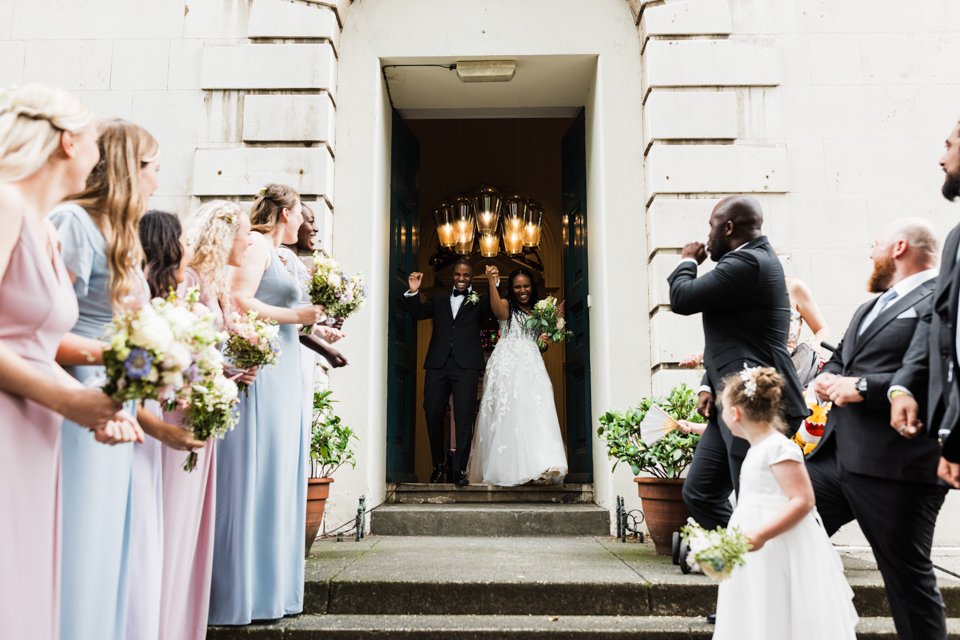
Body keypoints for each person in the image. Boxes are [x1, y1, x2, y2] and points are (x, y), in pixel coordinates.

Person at [0, 85, 140, 640]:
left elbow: (33, 342)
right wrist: (67, 397)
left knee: (31, 587)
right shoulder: (6, 204)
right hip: (10, 425)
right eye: (93, 146)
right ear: (66, 142)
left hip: (37, 428)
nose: (100, 160)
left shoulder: (42, 225)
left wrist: (96, 409)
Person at [49, 118, 163, 640]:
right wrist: (120, 352)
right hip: (79, 392)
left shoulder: (123, 234)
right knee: (81, 536)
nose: (159, 180)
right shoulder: (72, 223)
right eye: (154, 167)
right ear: (129, 169)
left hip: (120, 392)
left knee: (111, 539)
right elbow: (43, 327)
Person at [806, 218, 945, 640]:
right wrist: (829, 381)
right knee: (778, 530)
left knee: (906, 580)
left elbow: (936, 369)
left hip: (896, 466)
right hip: (834, 459)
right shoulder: (871, 306)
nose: (870, 253)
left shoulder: (942, 297)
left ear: (899, 247)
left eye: (875, 244)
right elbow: (842, 358)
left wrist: (862, 388)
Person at [209, 184, 324, 625]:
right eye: (300, 214)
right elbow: (240, 300)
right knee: (257, 472)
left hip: (288, 366)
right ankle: (242, 594)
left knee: (280, 472)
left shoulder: (285, 256)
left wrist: (317, 334)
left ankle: (274, 592)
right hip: (261, 367)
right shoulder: (257, 243)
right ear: (283, 212)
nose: (304, 222)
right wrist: (299, 317)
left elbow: (282, 311)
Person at [667, 195, 806, 532]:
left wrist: (687, 261)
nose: (708, 236)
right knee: (701, 493)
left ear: (728, 227)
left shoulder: (748, 263)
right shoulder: (748, 262)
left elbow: (682, 298)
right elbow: (734, 338)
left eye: (711, 227)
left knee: (754, 499)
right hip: (729, 401)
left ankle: (763, 563)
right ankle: (744, 557)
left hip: (757, 405)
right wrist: (707, 384)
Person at [712, 366, 858, 640]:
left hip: (775, 544)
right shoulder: (757, 449)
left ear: (735, 413)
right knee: (755, 609)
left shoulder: (779, 448)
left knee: (776, 608)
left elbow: (803, 500)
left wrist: (762, 534)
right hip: (753, 546)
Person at [892, 119, 960, 490]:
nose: (941, 158)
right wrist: (902, 387)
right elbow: (939, 320)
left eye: (949, 145)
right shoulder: (954, 240)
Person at [466, 265, 568, 486]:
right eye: (518, 287)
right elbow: (497, 311)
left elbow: (541, 346)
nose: (523, 290)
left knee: (537, 410)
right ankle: (510, 469)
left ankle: (543, 464)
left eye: (526, 286)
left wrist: (544, 341)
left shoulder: (540, 311)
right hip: (508, 363)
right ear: (511, 289)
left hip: (531, 363)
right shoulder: (506, 306)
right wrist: (492, 282)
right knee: (511, 414)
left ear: (533, 287)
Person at [405, 258, 492, 485]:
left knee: (464, 417)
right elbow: (419, 314)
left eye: (466, 275)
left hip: (467, 365)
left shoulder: (480, 301)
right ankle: (438, 464)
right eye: (458, 275)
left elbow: (496, 311)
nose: (461, 279)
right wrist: (413, 292)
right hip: (437, 363)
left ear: (472, 278)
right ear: (452, 276)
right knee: (432, 410)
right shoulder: (440, 297)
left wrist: (494, 283)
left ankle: (460, 470)